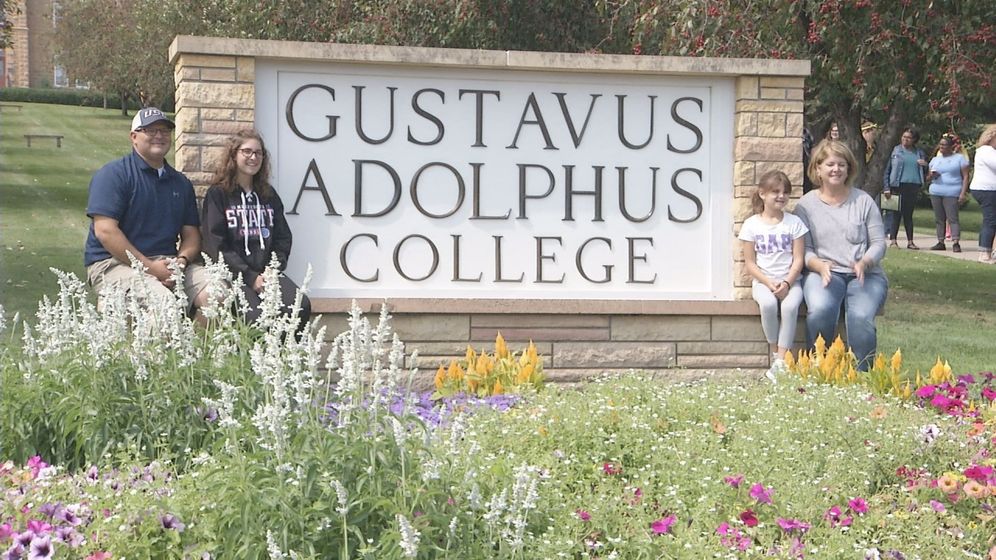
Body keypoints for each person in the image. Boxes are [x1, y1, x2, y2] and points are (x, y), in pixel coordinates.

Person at [84, 107, 211, 319]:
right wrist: (151, 268)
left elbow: (191, 235)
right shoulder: (113, 175)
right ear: (134, 137)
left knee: (218, 293)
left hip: (168, 263)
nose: (159, 136)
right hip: (113, 264)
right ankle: (153, 353)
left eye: (164, 130)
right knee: (164, 304)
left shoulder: (180, 183)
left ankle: (192, 349)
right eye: (150, 131)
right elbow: (105, 231)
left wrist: (181, 262)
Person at [201, 129, 312, 331]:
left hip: (268, 274)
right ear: (234, 155)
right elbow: (215, 244)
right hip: (236, 276)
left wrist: (273, 269)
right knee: (255, 316)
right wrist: (250, 277)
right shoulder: (218, 195)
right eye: (247, 152)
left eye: (258, 153)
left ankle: (286, 361)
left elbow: (283, 237)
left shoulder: (268, 194)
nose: (253, 157)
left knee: (299, 306)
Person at [794, 140, 888, 372]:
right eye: (830, 164)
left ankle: (862, 373)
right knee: (821, 310)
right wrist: (817, 265)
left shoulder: (863, 201)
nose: (836, 169)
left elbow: (878, 243)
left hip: (865, 275)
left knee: (860, 317)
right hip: (824, 273)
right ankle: (818, 368)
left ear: (849, 169)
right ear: (817, 169)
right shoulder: (805, 205)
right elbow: (803, 249)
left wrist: (865, 262)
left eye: (842, 164)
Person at [738, 170, 807, 380]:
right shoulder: (752, 225)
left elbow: (798, 259)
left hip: (791, 281)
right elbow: (750, 263)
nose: (781, 196)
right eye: (775, 191)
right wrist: (768, 282)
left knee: (790, 306)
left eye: (785, 192)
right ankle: (776, 355)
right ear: (762, 194)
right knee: (767, 305)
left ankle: (781, 362)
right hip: (763, 281)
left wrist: (787, 282)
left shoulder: (794, 223)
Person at [883, 126, 928, 249]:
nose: (905, 140)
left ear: (914, 140)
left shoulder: (919, 153)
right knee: (895, 214)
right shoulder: (896, 151)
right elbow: (887, 170)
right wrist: (886, 187)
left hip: (913, 185)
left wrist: (924, 165)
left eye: (909, 138)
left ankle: (910, 241)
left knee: (908, 215)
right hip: (897, 185)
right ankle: (893, 240)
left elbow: (926, 171)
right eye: (904, 137)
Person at [926, 135, 970, 252]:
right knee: (939, 218)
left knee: (952, 218)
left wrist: (962, 193)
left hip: (952, 191)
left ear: (951, 147)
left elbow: (966, 176)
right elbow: (928, 177)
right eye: (940, 145)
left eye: (944, 145)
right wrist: (932, 176)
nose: (941, 147)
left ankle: (955, 242)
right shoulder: (935, 160)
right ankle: (940, 241)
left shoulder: (959, 158)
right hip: (936, 190)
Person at [969, 124, 996, 264]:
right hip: (986, 189)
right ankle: (984, 253)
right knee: (990, 220)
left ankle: (990, 250)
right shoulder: (986, 150)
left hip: (990, 189)